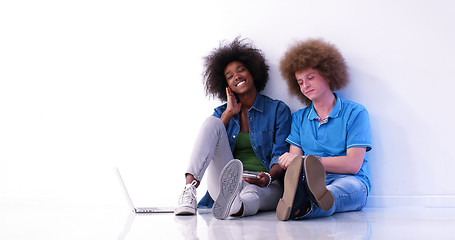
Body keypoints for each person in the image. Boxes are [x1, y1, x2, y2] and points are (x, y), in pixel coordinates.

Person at [174, 37, 292, 220]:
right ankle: (189, 190)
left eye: (241, 70)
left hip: (265, 184)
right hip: (227, 182)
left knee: (252, 196)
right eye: (229, 76)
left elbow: (280, 154)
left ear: (253, 72)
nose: (236, 76)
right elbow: (210, 144)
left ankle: (235, 207)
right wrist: (229, 113)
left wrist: (268, 177)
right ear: (226, 86)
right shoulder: (222, 112)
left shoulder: (278, 110)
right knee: (211, 123)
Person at [276, 38, 372, 221]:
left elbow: (353, 165)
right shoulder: (298, 118)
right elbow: (295, 163)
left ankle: (303, 205)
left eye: (310, 78)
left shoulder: (355, 113)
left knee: (336, 192)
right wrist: (288, 161)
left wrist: (310, 161)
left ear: (328, 75)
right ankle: (304, 202)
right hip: (308, 180)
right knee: (304, 184)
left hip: (350, 180)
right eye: (300, 82)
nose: (305, 86)